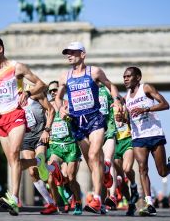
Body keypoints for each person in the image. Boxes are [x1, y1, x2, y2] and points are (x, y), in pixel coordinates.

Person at [0, 37, 48, 216]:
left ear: (1, 49)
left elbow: (41, 84)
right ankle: (39, 161)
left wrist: (27, 92)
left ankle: (14, 198)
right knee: (13, 162)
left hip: (16, 115)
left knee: (14, 153)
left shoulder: (16, 67)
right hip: (0, 119)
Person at [55, 41, 122, 214]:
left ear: (82, 54)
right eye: (67, 53)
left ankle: (97, 199)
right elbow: (58, 97)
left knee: (94, 155)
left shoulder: (94, 72)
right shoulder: (65, 76)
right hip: (77, 123)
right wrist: (61, 108)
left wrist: (115, 100)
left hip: (94, 119)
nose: (69, 55)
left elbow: (111, 85)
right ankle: (105, 173)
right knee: (93, 164)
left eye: (73, 52)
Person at [118, 66, 170, 216]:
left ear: (138, 78)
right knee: (142, 168)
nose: (125, 79)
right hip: (138, 137)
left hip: (154, 134)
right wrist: (123, 119)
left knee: (161, 172)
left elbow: (165, 104)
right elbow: (129, 119)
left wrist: (146, 109)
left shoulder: (145, 88)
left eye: (128, 76)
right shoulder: (126, 97)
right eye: (124, 77)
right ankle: (149, 203)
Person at [20, 83, 59, 215]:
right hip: (25, 139)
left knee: (39, 161)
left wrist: (47, 130)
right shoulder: (14, 99)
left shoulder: (36, 95)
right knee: (32, 172)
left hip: (39, 136)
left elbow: (51, 110)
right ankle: (50, 202)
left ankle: (48, 168)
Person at [47, 80, 83, 215]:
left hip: (71, 146)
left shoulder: (70, 105)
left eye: (55, 90)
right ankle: (58, 204)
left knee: (71, 177)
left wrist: (71, 118)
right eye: (50, 91)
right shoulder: (48, 107)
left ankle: (78, 202)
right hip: (56, 146)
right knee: (50, 176)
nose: (53, 93)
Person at [112, 101, 139, 216]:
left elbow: (135, 123)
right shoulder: (108, 108)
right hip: (114, 143)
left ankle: (133, 185)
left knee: (127, 169)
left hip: (127, 140)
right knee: (120, 178)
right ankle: (130, 203)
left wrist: (124, 118)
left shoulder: (127, 106)